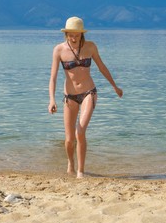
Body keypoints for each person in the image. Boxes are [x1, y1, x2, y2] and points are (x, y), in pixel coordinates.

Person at [48, 16, 123, 178]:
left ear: (82, 34)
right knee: (69, 140)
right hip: (69, 97)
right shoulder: (59, 50)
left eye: (77, 34)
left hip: (89, 92)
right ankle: (71, 163)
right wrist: (52, 99)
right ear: (66, 34)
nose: (73, 37)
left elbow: (102, 67)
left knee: (80, 132)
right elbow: (53, 77)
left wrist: (114, 86)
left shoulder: (90, 47)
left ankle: (80, 171)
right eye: (70, 34)